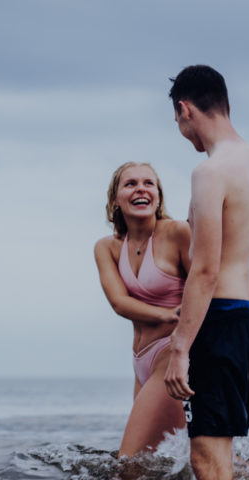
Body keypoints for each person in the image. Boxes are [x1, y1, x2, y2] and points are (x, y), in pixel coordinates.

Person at [163, 65, 249, 480]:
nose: (181, 130)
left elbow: (205, 269)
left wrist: (180, 348)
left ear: (185, 109)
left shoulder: (210, 173)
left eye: (177, 121)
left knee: (207, 461)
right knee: (222, 457)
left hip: (220, 321)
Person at [94, 162, 192, 459]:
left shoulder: (177, 233)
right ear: (115, 199)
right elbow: (118, 302)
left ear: (158, 197)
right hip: (141, 364)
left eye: (149, 184)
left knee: (129, 463)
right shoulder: (107, 247)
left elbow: (207, 284)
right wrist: (165, 314)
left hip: (170, 356)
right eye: (131, 184)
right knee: (175, 456)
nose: (141, 189)